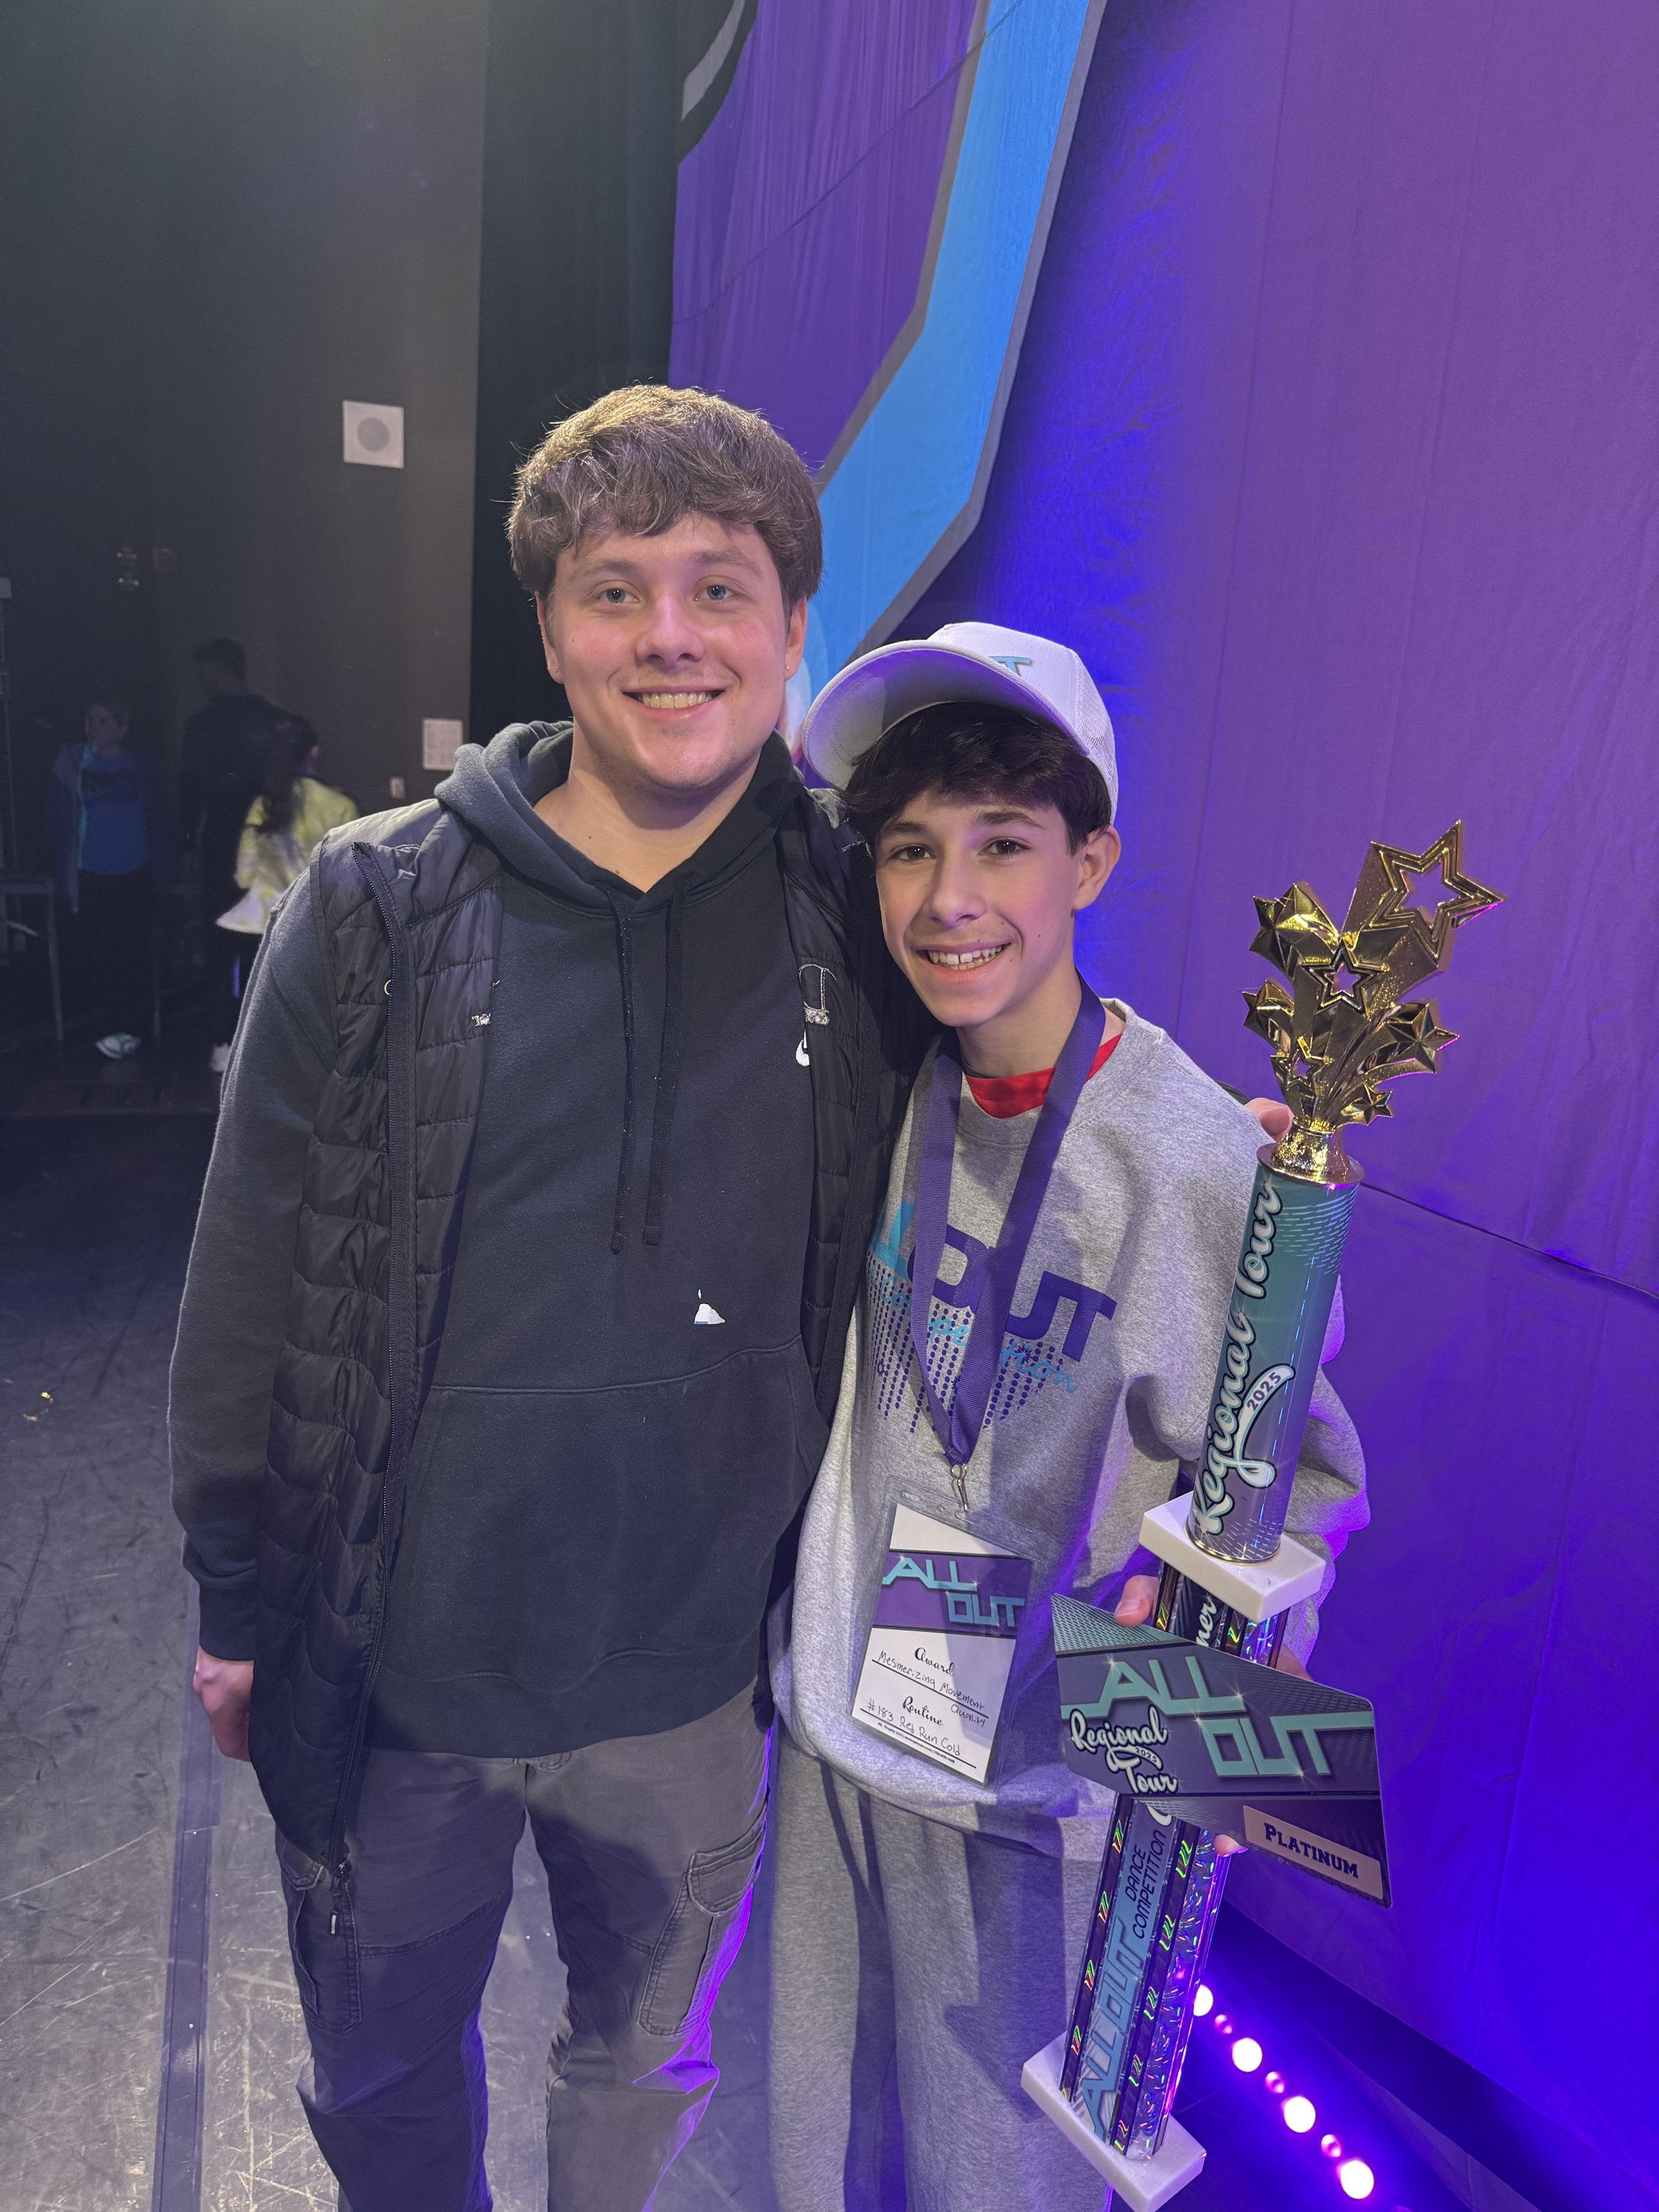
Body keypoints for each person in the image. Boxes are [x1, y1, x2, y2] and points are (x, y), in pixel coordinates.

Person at [169, 388, 1283, 2212]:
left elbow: (1009, 959)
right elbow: (247, 1271)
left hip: (707, 1681)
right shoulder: (373, 903)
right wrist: (235, 1591)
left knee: (647, 2092)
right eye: (618, 590)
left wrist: (1222, 1171)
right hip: (397, 1670)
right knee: (380, 2083)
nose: (669, 634)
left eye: (720, 586)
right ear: (552, 628)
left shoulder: (839, 906)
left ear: (788, 627)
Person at [766, 627, 1367, 2212]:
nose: (948, 899)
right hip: (842, 1729)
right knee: (812, 2153)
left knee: (996, 2181)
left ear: (1093, 859)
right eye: (909, 849)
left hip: (1040, 1803)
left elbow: (1301, 1480)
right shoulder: (888, 1078)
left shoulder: (1190, 1156)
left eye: (1003, 845)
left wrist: (1229, 1699)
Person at [177, 636, 285, 1070]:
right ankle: (270, 1036)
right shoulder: (276, 722)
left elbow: (191, 791)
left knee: (220, 940)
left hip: (224, 841)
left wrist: (186, 842)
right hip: (271, 843)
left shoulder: (203, 727)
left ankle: (223, 1039)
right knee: (269, 938)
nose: (203, 682)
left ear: (220, 671)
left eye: (205, 673)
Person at [49, 694, 175, 1059]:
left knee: (134, 949)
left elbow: (160, 817)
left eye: (103, 721)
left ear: (121, 728)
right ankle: (114, 1023)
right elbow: (57, 820)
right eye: (90, 719)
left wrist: (162, 868)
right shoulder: (73, 763)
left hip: (135, 869)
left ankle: (133, 1026)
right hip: (91, 870)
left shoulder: (141, 766)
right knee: (102, 951)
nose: (94, 727)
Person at [217, 716, 358, 940]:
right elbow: (347, 876)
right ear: (314, 753)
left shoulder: (264, 804)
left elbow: (245, 873)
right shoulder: (341, 806)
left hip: (261, 923)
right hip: (314, 926)